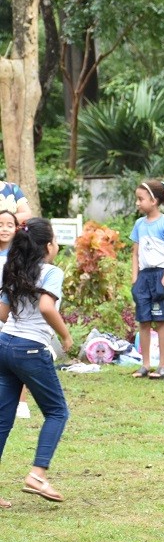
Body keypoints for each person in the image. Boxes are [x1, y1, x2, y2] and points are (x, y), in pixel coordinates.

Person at [0, 219, 73, 506]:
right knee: (57, 412)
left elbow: (3, 313)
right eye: (54, 240)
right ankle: (37, 474)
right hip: (30, 350)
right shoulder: (51, 272)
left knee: (3, 420)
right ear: (47, 247)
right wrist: (64, 336)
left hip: (4, 345)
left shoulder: (12, 269)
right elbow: (46, 307)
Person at [130, 178, 164, 379]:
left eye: (141, 199)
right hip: (144, 276)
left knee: (161, 321)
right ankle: (145, 364)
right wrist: (135, 280)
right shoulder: (139, 224)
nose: (137, 203)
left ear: (154, 200)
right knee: (144, 321)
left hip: (160, 275)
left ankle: (163, 365)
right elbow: (135, 253)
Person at [0, 211, 31, 421]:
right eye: (0, 224)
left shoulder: (20, 256)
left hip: (13, 312)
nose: (4, 228)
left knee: (16, 359)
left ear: (17, 228)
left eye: (9, 224)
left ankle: (21, 402)